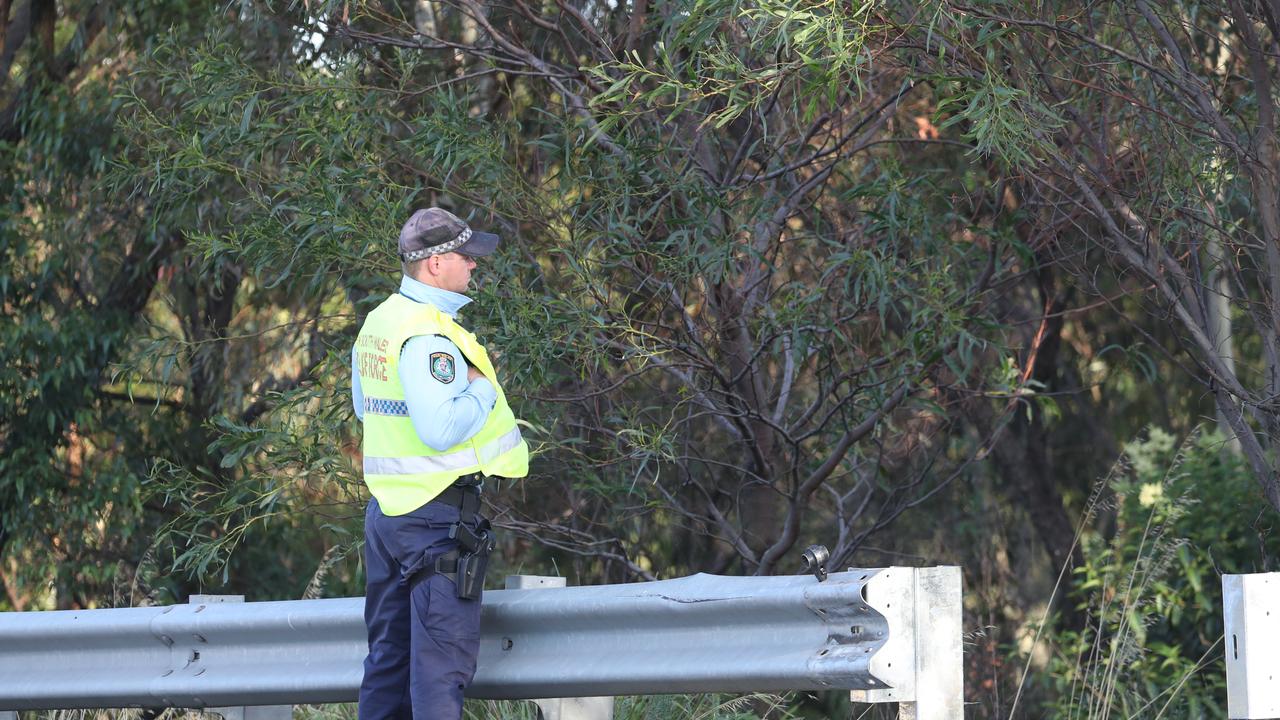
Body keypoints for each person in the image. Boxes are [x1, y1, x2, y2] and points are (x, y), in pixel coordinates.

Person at [351, 207, 529, 720]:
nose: (474, 267)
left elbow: (366, 408)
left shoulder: (380, 323)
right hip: (435, 520)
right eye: (466, 257)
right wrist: (482, 393)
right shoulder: (430, 338)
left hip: (388, 516)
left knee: (388, 661)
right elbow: (440, 428)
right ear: (434, 265)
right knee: (439, 671)